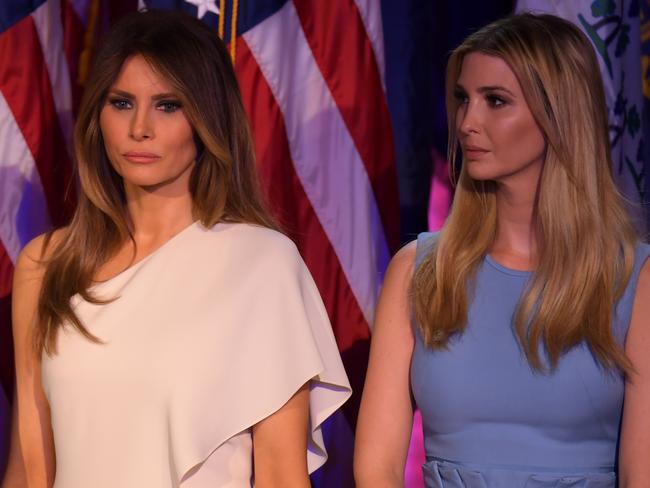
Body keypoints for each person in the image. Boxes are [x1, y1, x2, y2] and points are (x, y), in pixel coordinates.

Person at [3, 9, 350, 488]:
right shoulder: (45, 265)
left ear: (207, 118)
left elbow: (280, 475)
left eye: (168, 105)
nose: (139, 127)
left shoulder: (262, 264)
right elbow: (30, 465)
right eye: (121, 103)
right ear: (96, 116)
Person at [354, 13, 650, 487]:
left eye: (495, 101)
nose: (468, 122)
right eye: (462, 99)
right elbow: (377, 471)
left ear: (559, 113)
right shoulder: (417, 272)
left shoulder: (635, 280)